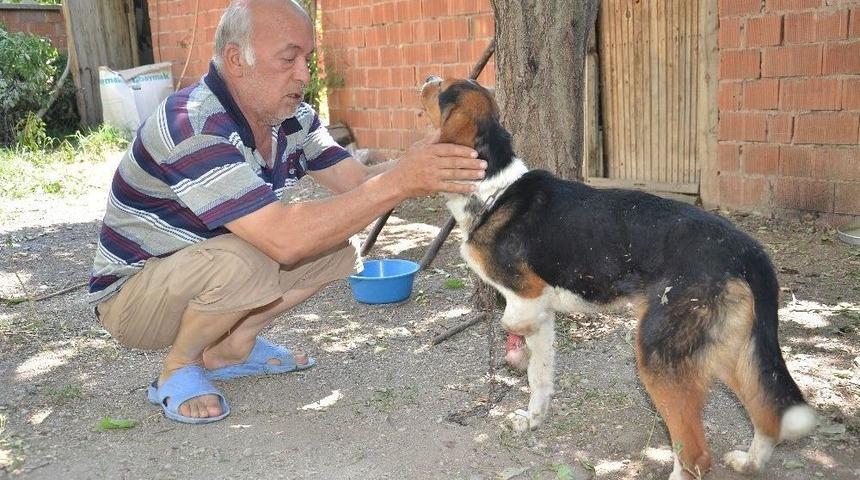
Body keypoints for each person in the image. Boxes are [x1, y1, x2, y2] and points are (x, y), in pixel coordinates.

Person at [88, 0, 486, 424]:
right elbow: (285, 240)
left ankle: (231, 348)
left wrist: (419, 161)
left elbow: (356, 183)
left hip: (203, 274)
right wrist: (403, 179)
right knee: (251, 258)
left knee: (336, 245)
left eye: (307, 59)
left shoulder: (291, 118)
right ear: (238, 59)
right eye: (289, 58)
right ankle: (179, 367)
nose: (305, 74)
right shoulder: (193, 125)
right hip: (133, 297)